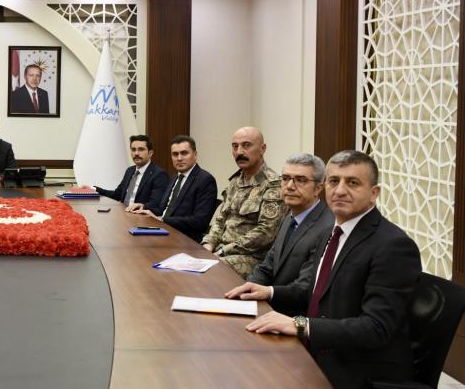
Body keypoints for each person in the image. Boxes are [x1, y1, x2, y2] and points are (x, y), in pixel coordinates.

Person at [226, 151, 420, 389]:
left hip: (361, 373)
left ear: (374, 192)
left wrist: (300, 325)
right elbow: (315, 291)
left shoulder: (393, 246)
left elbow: (376, 328)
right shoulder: (332, 231)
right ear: (324, 187)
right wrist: (268, 291)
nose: (340, 190)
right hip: (325, 349)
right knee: (238, 369)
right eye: (333, 181)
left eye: (352, 183)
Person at [244, 153, 335, 314]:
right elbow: (267, 266)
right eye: (285, 178)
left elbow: (305, 288)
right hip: (270, 308)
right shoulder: (289, 217)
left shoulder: (328, 228)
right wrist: (247, 289)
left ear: (318, 189)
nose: (290, 186)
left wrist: (269, 292)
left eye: (300, 180)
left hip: (296, 318)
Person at [201, 126, 286, 277]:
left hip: (253, 257)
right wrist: (209, 244)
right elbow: (221, 219)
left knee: (210, 273)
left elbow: (265, 233)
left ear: (262, 148)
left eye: (247, 145)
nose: (240, 152)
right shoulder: (235, 181)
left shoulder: (273, 185)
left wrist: (223, 251)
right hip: (221, 251)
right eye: (235, 146)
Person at [129, 135, 217, 243]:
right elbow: (163, 209)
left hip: (184, 240)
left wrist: (162, 220)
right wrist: (143, 207)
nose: (179, 158)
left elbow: (200, 221)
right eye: (175, 154)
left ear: (195, 155)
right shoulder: (174, 178)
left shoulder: (205, 180)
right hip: (163, 231)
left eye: (184, 153)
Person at [87, 134, 169, 210]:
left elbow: (155, 203)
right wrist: (94, 189)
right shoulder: (130, 170)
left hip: (142, 218)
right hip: (124, 213)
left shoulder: (159, 174)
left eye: (141, 149)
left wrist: (142, 206)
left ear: (150, 153)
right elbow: (117, 195)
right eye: (133, 150)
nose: (136, 153)